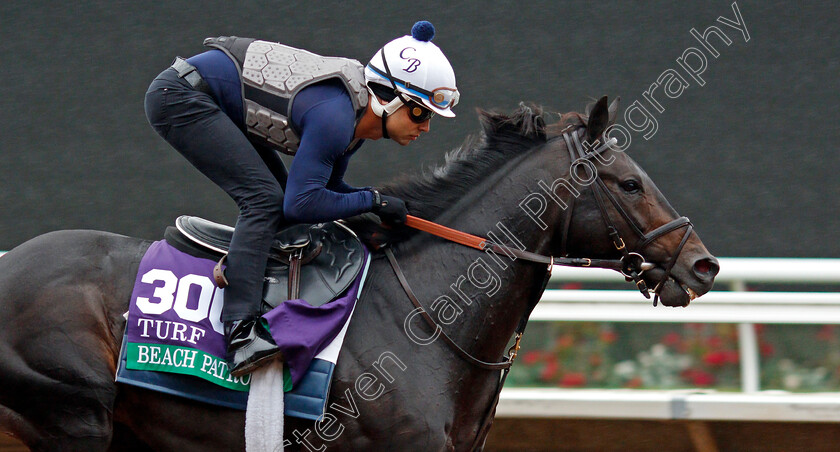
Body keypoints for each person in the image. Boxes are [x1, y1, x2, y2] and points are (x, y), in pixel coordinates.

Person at [144, 21, 459, 376]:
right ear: (387, 99)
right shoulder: (335, 118)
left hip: (211, 98)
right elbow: (304, 204)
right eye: (420, 112)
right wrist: (372, 200)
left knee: (275, 201)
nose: (426, 126)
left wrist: (379, 206)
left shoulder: (352, 119)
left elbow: (326, 191)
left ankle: (254, 298)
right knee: (264, 201)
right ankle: (240, 333)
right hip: (182, 96)